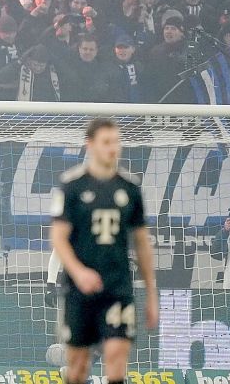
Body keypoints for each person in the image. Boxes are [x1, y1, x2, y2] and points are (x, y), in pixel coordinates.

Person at [49, 119, 158, 384]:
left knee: (117, 359)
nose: (113, 148)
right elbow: (58, 238)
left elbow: (142, 242)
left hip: (117, 287)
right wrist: (79, 272)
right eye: (106, 142)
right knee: (77, 367)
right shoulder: (72, 186)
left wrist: (152, 293)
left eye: (116, 142)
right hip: (79, 289)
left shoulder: (130, 188)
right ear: (90, 144)